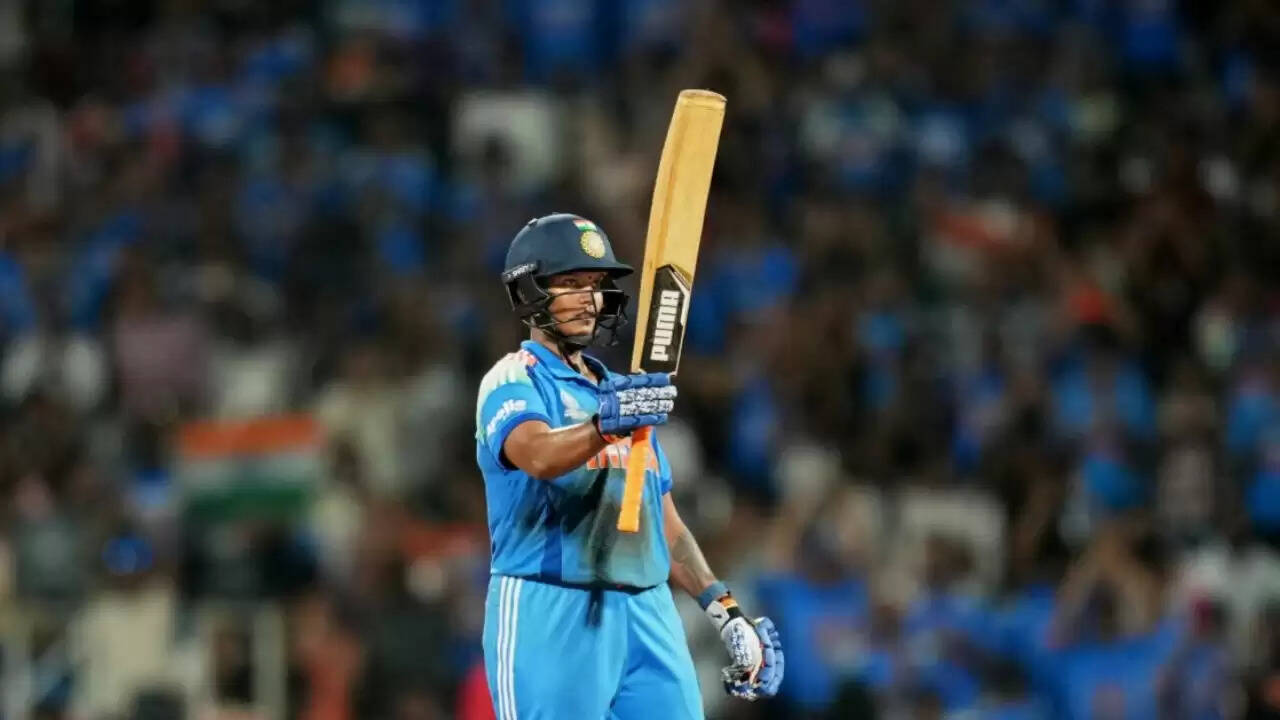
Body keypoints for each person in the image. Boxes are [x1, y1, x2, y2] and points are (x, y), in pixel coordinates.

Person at [474, 214, 784, 718]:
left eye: (595, 286)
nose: (589, 299)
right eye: (570, 283)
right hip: (550, 608)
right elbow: (537, 454)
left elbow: (661, 519)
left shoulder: (621, 392)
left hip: (647, 609)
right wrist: (607, 425)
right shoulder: (513, 379)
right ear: (529, 290)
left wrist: (723, 610)